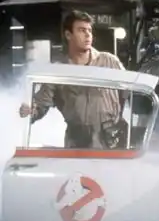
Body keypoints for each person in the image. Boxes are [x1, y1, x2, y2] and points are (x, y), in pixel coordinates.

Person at [18, 10, 127, 149]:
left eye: (89, 30)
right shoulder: (59, 71)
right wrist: (30, 110)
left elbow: (129, 93)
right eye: (82, 30)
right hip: (78, 144)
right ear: (68, 35)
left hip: (112, 142)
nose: (88, 35)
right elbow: (40, 105)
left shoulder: (109, 62)